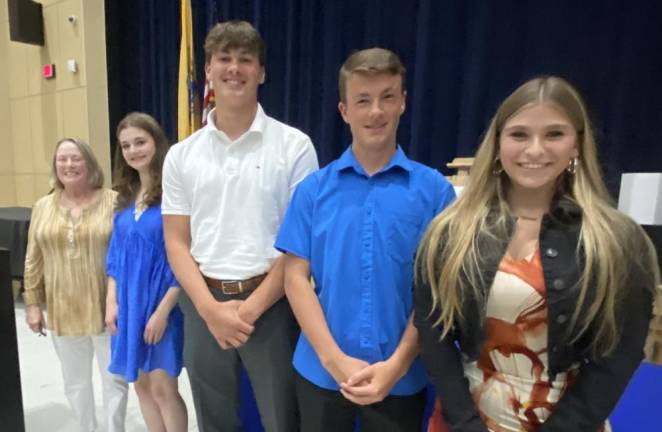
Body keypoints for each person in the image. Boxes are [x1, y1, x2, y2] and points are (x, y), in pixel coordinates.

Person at [414, 76, 659, 431]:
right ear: (498, 143)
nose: (535, 150)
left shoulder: (617, 240)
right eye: (519, 135)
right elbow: (433, 332)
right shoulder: (450, 231)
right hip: (464, 419)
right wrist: (466, 423)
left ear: (577, 143)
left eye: (554, 134)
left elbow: (622, 353)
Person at [275, 47, 456, 431]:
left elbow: (439, 289)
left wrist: (399, 363)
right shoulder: (313, 191)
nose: (376, 111)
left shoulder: (434, 192)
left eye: (387, 97)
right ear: (344, 111)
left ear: (403, 103)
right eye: (363, 100)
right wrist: (333, 360)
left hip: (400, 376)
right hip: (322, 373)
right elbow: (294, 279)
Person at [162, 20, 319, 432]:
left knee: (283, 418)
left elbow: (299, 244)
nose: (235, 68)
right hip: (202, 304)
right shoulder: (181, 155)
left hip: (271, 305)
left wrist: (248, 310)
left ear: (261, 72)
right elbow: (176, 242)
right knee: (213, 421)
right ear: (209, 71)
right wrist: (210, 309)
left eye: (245, 60)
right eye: (224, 59)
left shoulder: (294, 146)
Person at [23, 138, 129, 432]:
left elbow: (123, 258)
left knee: (114, 380)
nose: (68, 165)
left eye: (75, 159)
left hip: (106, 308)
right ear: (55, 166)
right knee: (75, 382)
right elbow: (34, 258)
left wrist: (118, 300)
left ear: (90, 164)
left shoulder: (113, 201)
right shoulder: (43, 206)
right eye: (62, 160)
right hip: (63, 308)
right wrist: (33, 303)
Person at [105, 112, 187, 431]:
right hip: (129, 304)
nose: (133, 150)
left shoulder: (173, 193)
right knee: (140, 385)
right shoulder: (125, 196)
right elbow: (114, 257)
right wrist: (112, 302)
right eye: (126, 145)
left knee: (163, 388)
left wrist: (163, 311)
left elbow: (185, 258)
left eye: (140, 142)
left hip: (161, 303)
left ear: (156, 142)